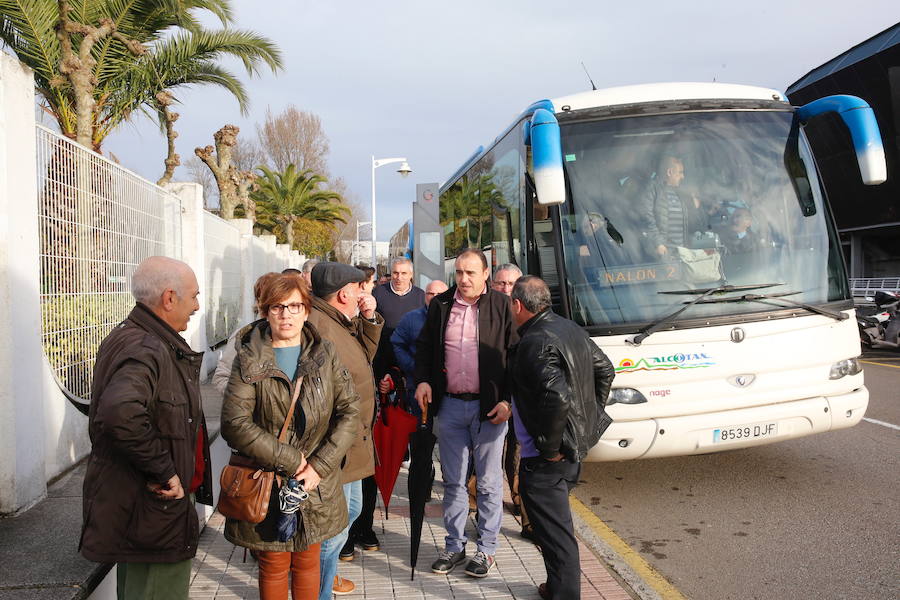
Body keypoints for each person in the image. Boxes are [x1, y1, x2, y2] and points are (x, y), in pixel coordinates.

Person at [221, 273, 360, 600]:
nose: (287, 315)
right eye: (278, 307)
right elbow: (234, 422)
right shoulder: (249, 356)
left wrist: (318, 466)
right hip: (269, 478)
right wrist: (290, 459)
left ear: (307, 310)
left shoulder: (323, 353)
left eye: (295, 306)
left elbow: (350, 410)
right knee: (273, 561)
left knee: (309, 560)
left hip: (315, 481)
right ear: (265, 311)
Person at [80, 256, 211, 600]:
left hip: (148, 513)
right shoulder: (146, 346)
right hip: (154, 510)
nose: (197, 306)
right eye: (194, 296)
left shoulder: (143, 338)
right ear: (169, 298)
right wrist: (165, 470)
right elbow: (120, 412)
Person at [508, 276, 615, 600]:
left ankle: (564, 593)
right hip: (568, 451)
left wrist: (550, 447)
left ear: (517, 305)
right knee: (552, 529)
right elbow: (606, 370)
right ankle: (555, 586)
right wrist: (585, 423)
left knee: (556, 536)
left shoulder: (535, 340)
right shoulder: (569, 327)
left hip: (547, 458)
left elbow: (557, 397)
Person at [415, 248, 516, 578]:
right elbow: (425, 350)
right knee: (454, 482)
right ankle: (454, 546)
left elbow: (515, 358)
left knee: (488, 483)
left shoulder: (502, 306)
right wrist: (424, 382)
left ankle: (486, 550)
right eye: (459, 272)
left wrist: (508, 401)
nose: (464, 279)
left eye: (471, 272)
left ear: (487, 274)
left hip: (490, 408)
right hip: (451, 406)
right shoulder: (442, 305)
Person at [306, 262, 384, 599]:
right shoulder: (320, 326)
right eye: (359, 289)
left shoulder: (336, 320)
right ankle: (318, 589)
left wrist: (367, 320)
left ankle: (326, 578)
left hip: (351, 441)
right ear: (343, 293)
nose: (364, 294)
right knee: (333, 526)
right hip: (336, 445)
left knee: (349, 512)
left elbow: (361, 358)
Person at [341, 257, 425, 560]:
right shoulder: (338, 318)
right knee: (349, 474)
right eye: (367, 286)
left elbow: (386, 350)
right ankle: (345, 535)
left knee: (369, 469)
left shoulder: (380, 310)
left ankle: (363, 527)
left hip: (377, 395)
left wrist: (390, 376)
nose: (371, 291)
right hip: (347, 403)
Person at [489, 263, 534, 543]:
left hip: (521, 402)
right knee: (486, 462)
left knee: (519, 459)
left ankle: (527, 517)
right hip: (490, 400)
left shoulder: (531, 319)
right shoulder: (484, 313)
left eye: (511, 284)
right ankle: (482, 509)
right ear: (493, 285)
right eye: (501, 283)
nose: (506, 289)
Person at [212, 271, 281, 395]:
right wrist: (244, 398)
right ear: (259, 302)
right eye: (267, 298)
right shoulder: (243, 336)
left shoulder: (299, 335)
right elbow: (222, 376)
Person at [389, 279, 449, 416]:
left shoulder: (457, 318)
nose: (435, 297)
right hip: (417, 384)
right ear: (424, 295)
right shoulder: (410, 319)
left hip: (449, 388)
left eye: (439, 293)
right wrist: (413, 367)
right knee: (421, 431)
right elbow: (397, 344)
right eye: (430, 293)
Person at [641, 156, 707, 257]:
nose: (683, 176)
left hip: (682, 254)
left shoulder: (683, 193)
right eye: (680, 172)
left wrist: (696, 207)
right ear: (669, 172)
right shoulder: (652, 189)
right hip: (661, 254)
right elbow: (646, 217)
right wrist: (657, 243)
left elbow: (696, 226)